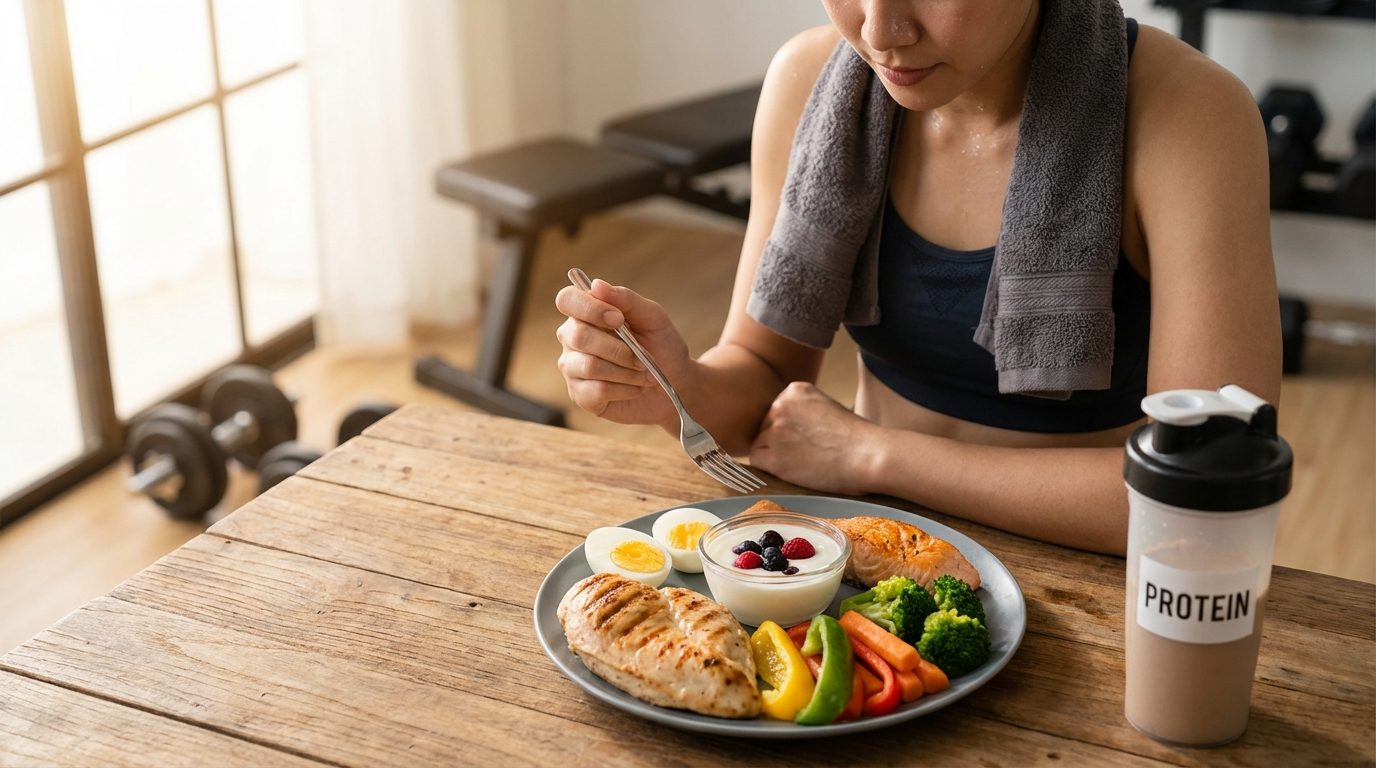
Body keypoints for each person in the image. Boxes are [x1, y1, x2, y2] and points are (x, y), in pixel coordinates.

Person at [554, 0, 1280, 556]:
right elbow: (768, 383)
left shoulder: (1185, 115)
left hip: (1091, 573)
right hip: (878, 550)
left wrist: (876, 455)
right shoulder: (810, 83)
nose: (880, 30)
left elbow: (1206, 496)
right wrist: (676, 387)